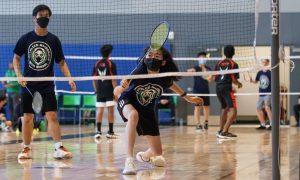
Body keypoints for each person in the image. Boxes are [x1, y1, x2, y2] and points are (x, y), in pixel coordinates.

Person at [114, 47, 203, 175]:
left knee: (157, 152)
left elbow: (172, 85)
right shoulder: (139, 71)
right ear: (145, 58)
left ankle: (144, 156)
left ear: (163, 61)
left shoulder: (164, 77)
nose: (152, 58)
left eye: (157, 56)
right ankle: (129, 160)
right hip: (128, 101)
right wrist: (120, 87)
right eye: (150, 55)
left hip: (147, 109)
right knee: (133, 115)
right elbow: (120, 89)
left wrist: (188, 98)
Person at [13, 4, 76, 159]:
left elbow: (61, 62)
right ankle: (26, 149)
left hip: (47, 85)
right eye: (41, 15)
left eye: (46, 15)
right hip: (29, 85)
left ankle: (58, 148)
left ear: (50, 18)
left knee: (52, 116)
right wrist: (19, 74)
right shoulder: (26, 38)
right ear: (34, 17)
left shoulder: (54, 40)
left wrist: (70, 78)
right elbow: (16, 58)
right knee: (27, 118)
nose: (44, 17)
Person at [214, 45, 242, 139]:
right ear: (233, 53)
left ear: (224, 53)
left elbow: (215, 78)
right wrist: (239, 84)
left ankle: (220, 130)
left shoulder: (219, 63)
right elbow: (234, 80)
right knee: (233, 111)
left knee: (224, 108)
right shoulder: (233, 64)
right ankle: (225, 132)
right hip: (226, 88)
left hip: (218, 88)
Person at [92, 44, 118, 139]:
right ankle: (110, 132)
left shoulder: (97, 63)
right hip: (109, 90)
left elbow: (93, 79)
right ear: (110, 53)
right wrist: (116, 93)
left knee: (100, 111)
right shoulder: (111, 64)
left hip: (100, 91)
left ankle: (98, 132)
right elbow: (113, 80)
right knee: (110, 111)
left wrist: (96, 90)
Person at [187, 52, 211, 130]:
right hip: (197, 90)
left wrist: (203, 68)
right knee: (197, 107)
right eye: (201, 58)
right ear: (198, 59)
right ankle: (197, 124)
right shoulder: (195, 68)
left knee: (206, 107)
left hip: (206, 90)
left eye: (204, 58)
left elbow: (210, 79)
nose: (202, 59)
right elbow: (188, 71)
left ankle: (206, 122)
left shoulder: (208, 69)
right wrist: (192, 70)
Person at [250, 59, 272, 130]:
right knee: (258, 108)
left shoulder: (270, 73)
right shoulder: (259, 73)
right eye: (263, 62)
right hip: (261, 94)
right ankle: (263, 124)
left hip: (268, 93)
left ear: (268, 63)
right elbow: (255, 82)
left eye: (265, 62)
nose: (264, 63)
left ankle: (272, 124)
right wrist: (251, 81)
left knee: (267, 108)